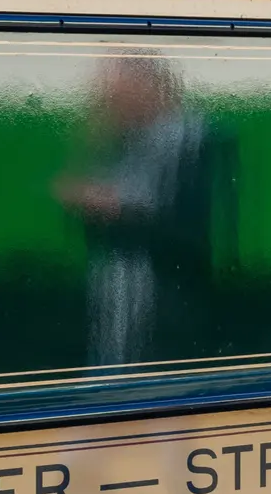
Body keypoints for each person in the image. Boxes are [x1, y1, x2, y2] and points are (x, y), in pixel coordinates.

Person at [54, 56, 214, 370]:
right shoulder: (133, 135)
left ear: (148, 87)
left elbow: (174, 218)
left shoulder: (180, 136)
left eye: (116, 93)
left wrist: (110, 204)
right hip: (132, 283)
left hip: (159, 288)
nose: (108, 103)